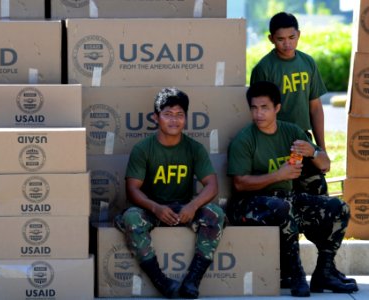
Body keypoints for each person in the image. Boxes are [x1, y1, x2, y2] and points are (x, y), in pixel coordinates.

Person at [226, 81, 358, 297]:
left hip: (286, 198)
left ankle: (324, 272)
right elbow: (239, 183)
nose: (258, 114)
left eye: (264, 108)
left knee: (338, 207)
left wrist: (313, 153)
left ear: (277, 108)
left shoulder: (292, 132)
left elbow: (325, 165)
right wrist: (278, 175)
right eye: (254, 108)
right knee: (283, 207)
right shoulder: (245, 139)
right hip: (249, 203)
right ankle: (295, 273)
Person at [114, 87, 225, 299]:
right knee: (131, 217)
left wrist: (192, 206)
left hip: (182, 209)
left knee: (215, 213)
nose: (174, 120)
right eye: (167, 114)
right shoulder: (143, 149)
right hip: (152, 209)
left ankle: (192, 281)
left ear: (186, 118)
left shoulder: (194, 148)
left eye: (179, 115)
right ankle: (163, 283)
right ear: (156, 117)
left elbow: (212, 185)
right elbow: (132, 189)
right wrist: (155, 207)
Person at [250, 11, 328, 196]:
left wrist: (321, 148)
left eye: (292, 37)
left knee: (318, 194)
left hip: (303, 140)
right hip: (276, 142)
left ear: (299, 35)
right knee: (283, 199)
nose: (287, 43)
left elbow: (315, 108)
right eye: (281, 39)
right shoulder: (264, 68)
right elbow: (258, 112)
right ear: (271, 39)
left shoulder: (308, 63)